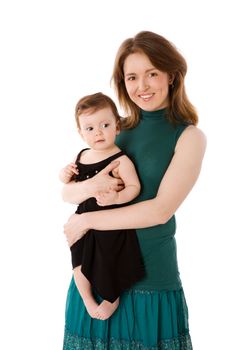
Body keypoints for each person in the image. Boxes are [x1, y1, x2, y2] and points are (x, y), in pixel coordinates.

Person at [62, 31, 206, 350]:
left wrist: (86, 221)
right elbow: (70, 193)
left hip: (151, 279)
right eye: (132, 77)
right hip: (96, 273)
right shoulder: (113, 129)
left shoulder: (189, 137)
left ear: (171, 75)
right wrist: (90, 187)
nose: (142, 86)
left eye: (152, 73)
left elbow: (160, 210)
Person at [59, 92, 145, 321]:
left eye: (105, 125)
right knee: (77, 259)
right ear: (80, 133)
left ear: (117, 127)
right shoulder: (82, 156)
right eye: (89, 128)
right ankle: (87, 298)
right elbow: (70, 186)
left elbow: (134, 187)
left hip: (110, 220)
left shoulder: (120, 160)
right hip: (83, 219)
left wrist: (117, 199)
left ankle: (111, 298)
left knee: (109, 259)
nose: (98, 132)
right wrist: (64, 174)